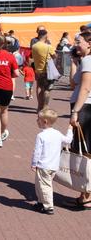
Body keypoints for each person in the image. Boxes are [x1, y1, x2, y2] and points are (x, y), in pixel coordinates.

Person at [32, 108, 74, 214]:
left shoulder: (41, 136)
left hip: (43, 166)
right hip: (53, 166)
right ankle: (41, 202)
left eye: (38, 119)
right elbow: (68, 141)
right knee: (41, 184)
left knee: (45, 185)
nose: (37, 121)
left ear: (44, 121)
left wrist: (34, 163)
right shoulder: (57, 133)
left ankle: (48, 206)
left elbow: (37, 152)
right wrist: (70, 129)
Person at [67, 30, 91, 209]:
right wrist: (75, 61)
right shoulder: (85, 60)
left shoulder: (89, 61)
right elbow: (73, 82)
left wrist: (75, 111)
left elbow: (83, 88)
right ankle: (85, 192)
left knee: (84, 150)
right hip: (86, 107)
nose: (76, 44)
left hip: (85, 107)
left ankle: (87, 193)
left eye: (79, 41)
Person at [32, 29, 56, 111]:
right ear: (46, 36)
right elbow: (54, 56)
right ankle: (45, 106)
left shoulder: (34, 46)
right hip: (47, 71)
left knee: (40, 88)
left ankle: (39, 106)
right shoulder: (48, 47)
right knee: (47, 90)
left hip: (38, 71)